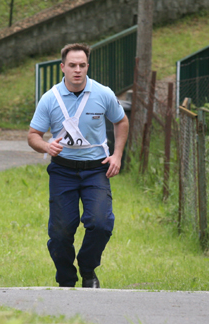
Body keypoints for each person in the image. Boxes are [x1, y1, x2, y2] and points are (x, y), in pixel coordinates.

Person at [28, 43, 129, 288]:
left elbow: (122, 122)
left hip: (96, 170)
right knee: (61, 232)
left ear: (87, 66)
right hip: (63, 170)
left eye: (82, 65)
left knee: (101, 223)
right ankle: (65, 278)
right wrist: (46, 146)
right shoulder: (49, 99)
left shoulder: (102, 93)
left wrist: (116, 155)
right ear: (62, 67)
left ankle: (87, 268)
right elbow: (33, 135)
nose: (77, 70)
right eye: (72, 65)